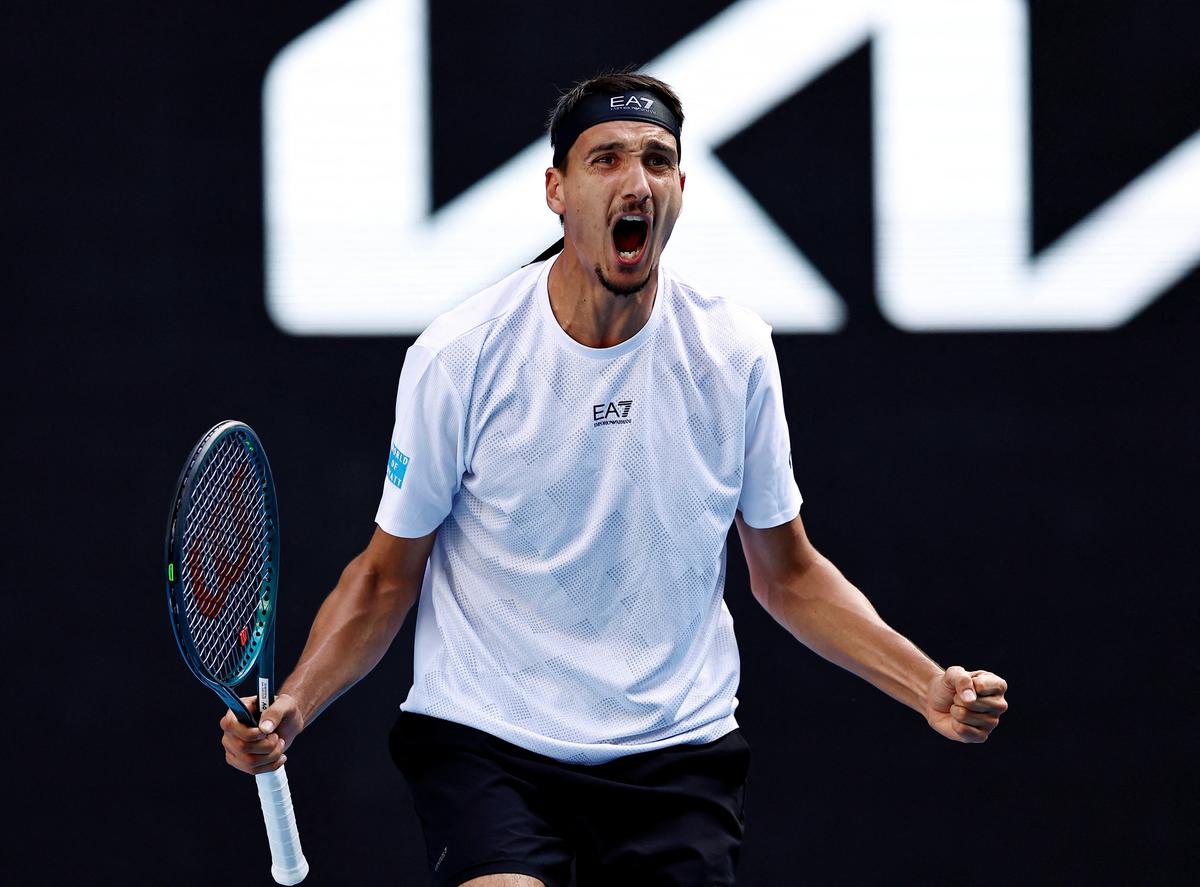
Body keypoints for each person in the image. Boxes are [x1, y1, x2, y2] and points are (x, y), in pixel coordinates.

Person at [222, 72, 1008, 887]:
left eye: (658, 161)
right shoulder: (460, 357)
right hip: (491, 746)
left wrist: (926, 684)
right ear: (557, 191)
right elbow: (386, 577)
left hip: (674, 758)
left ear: (678, 189)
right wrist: (297, 704)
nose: (636, 182)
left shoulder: (733, 351)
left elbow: (790, 575)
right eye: (605, 159)